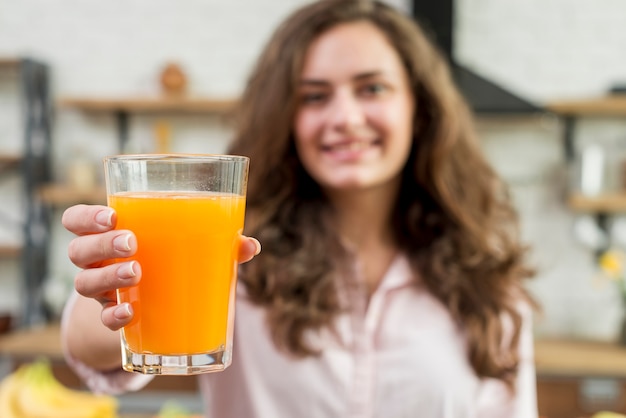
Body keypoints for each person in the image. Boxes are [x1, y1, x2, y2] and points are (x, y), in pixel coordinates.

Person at [60, 0, 539, 416]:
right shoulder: (234, 251)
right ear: (285, 117)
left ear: (420, 107)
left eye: (372, 88)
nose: (346, 118)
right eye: (314, 96)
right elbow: (95, 350)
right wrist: (107, 297)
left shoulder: (488, 281)